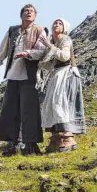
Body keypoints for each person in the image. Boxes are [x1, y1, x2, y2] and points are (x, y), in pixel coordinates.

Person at [0, 4, 48, 156]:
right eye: (26, 11)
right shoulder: (12, 30)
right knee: (10, 109)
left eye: (31, 11)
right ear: (21, 15)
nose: (28, 13)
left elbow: (42, 50)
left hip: (30, 74)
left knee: (30, 110)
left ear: (35, 16)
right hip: (13, 75)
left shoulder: (40, 30)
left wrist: (27, 53)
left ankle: (31, 145)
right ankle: (12, 145)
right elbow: (3, 50)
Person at [36, 18, 86, 152]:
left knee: (60, 103)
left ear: (64, 28)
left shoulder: (66, 39)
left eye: (60, 23)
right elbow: (48, 64)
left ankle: (69, 138)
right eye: (55, 23)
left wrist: (48, 46)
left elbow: (64, 56)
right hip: (56, 74)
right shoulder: (52, 42)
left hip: (66, 74)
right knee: (50, 104)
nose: (56, 25)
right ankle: (56, 139)